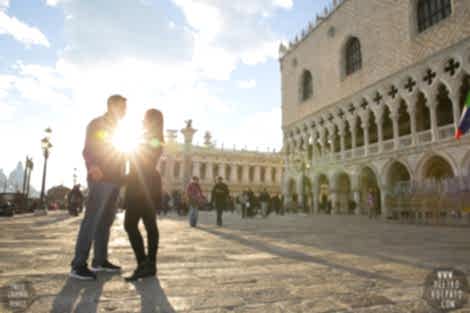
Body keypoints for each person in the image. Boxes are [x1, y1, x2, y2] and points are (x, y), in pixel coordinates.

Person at [70, 94, 126, 280]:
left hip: (115, 180)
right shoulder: (97, 124)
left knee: (106, 221)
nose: (125, 111)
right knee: (92, 219)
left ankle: (100, 260)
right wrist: (93, 165)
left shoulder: (119, 128)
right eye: (122, 107)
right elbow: (89, 148)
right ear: (111, 105)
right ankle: (78, 265)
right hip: (100, 178)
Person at [124, 109, 164, 282]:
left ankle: (143, 263)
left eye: (145, 118)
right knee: (149, 225)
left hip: (141, 185)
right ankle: (150, 265)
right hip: (148, 184)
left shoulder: (152, 138)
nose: (142, 120)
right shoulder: (154, 137)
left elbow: (143, 161)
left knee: (131, 224)